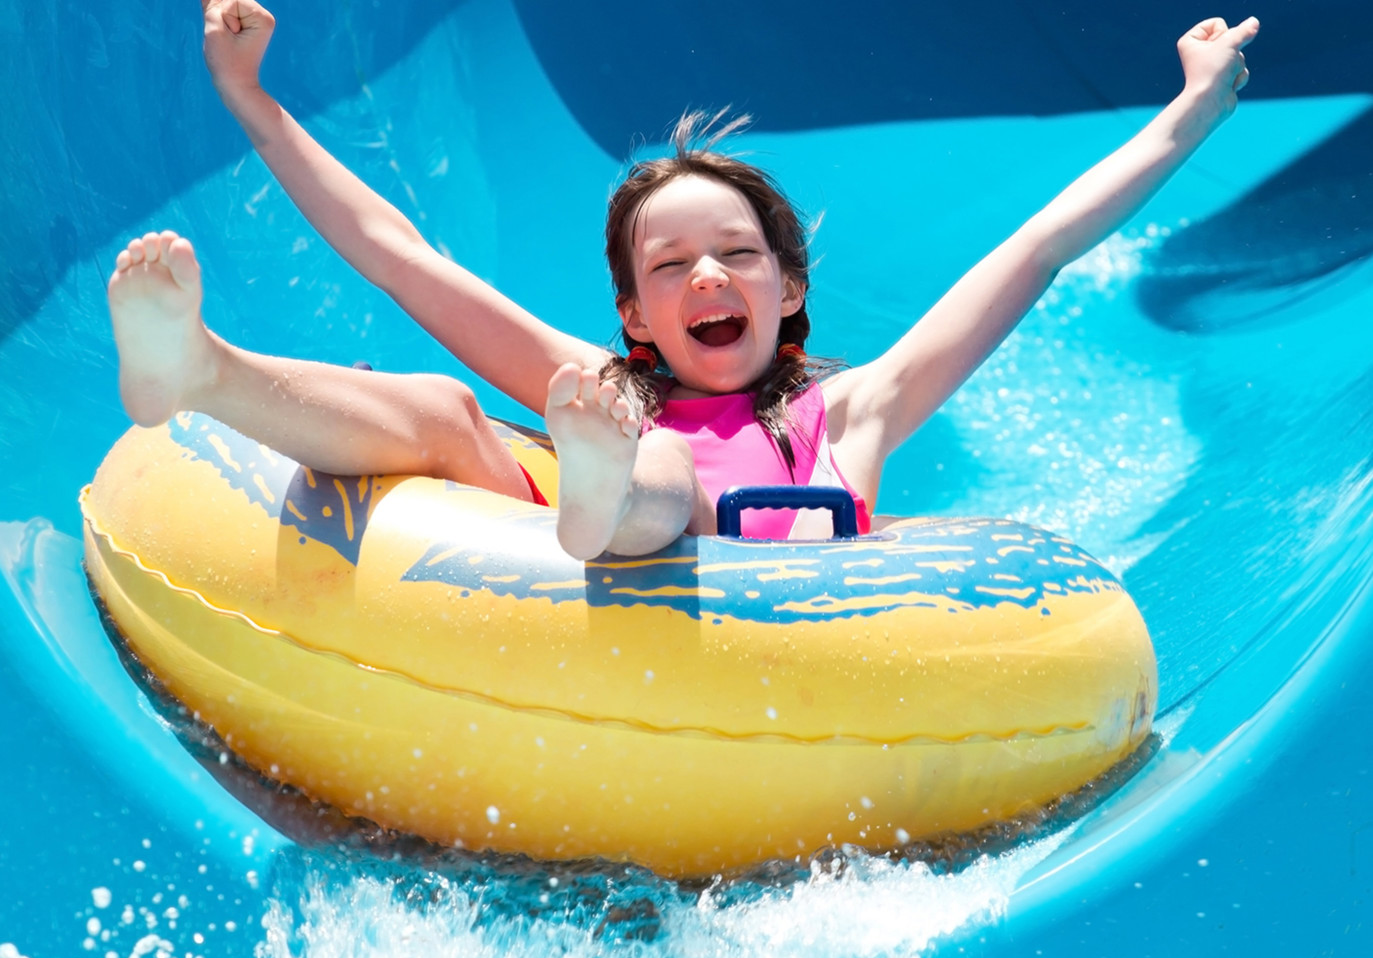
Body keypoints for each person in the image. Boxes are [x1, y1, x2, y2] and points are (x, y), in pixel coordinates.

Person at [108, 0, 1258, 560]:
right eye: (669, 266)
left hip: (703, 560)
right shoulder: (600, 379)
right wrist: (251, 99)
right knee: (454, 409)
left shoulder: (850, 410)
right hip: (569, 525)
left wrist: (1190, 111)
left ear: (787, 289)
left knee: (634, 448)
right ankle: (198, 370)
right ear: (635, 312)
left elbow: (1039, 245)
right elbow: (398, 256)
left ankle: (609, 493)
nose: (705, 274)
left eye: (736, 254)